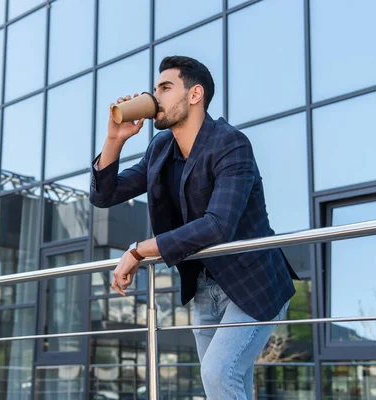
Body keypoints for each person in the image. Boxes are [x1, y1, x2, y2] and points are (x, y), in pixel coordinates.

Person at [90, 55, 299, 399]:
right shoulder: (160, 148)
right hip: (203, 288)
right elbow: (105, 195)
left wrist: (139, 250)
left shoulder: (230, 144)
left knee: (217, 373)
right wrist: (115, 139)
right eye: (155, 89)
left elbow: (217, 226)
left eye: (165, 88)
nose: (155, 97)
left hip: (255, 282)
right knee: (226, 383)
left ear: (194, 94)